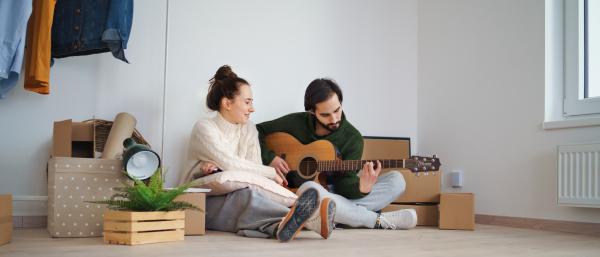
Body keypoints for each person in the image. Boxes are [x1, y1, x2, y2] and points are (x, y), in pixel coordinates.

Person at [178, 66, 336, 242]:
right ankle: (310, 220)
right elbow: (231, 164)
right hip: (197, 202)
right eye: (247, 102)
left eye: (252, 102)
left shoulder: (249, 129)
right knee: (247, 198)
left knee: (250, 196)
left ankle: (279, 227)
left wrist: (233, 170)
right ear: (227, 103)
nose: (252, 109)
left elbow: (251, 175)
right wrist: (270, 172)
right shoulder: (204, 128)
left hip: (235, 196)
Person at [257, 78, 417, 230]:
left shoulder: (352, 138)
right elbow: (256, 130)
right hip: (303, 191)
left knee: (397, 181)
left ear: (340, 103)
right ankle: (375, 220)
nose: (334, 119)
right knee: (310, 188)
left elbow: (343, 183)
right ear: (312, 111)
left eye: (337, 110)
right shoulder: (296, 123)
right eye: (325, 115)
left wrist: (361, 188)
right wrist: (270, 157)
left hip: (334, 193)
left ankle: (331, 215)